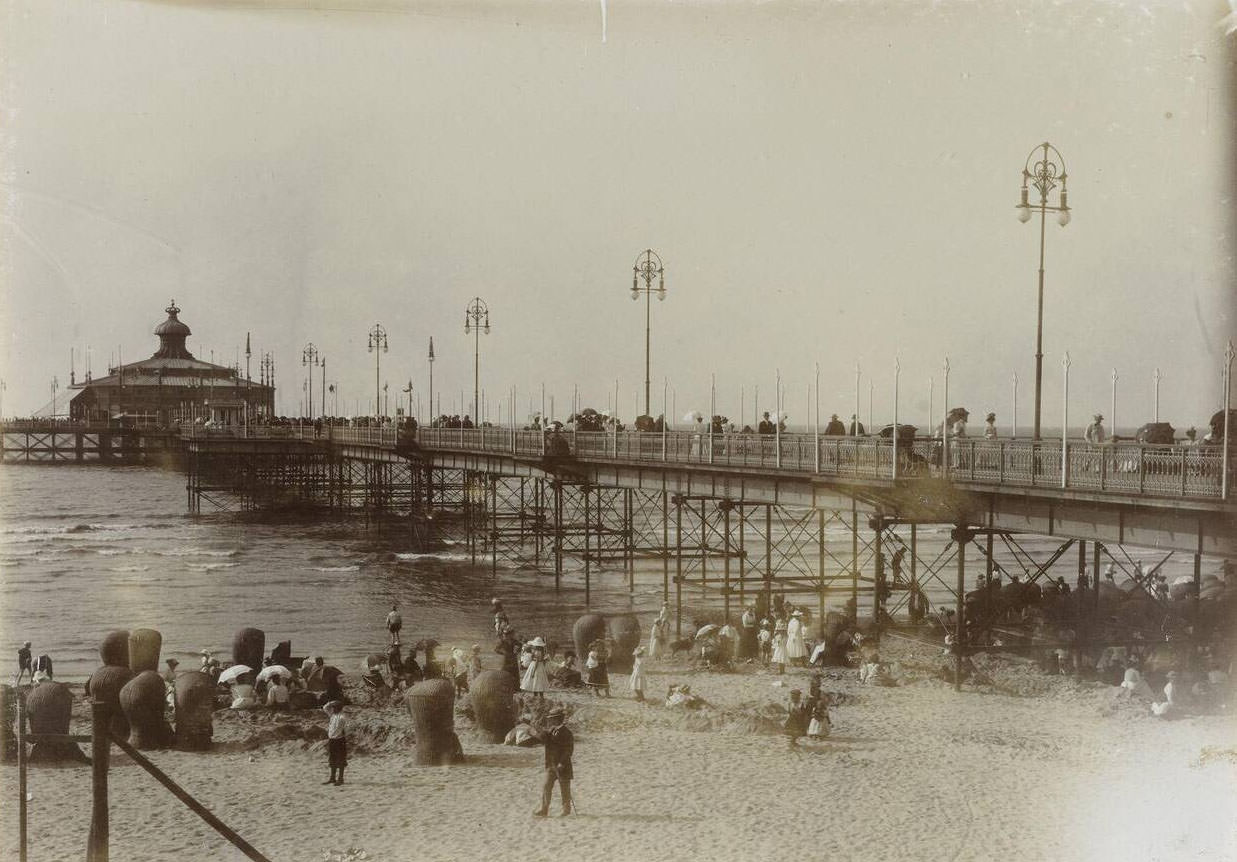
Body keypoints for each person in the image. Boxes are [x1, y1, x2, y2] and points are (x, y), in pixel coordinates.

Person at [533, 706, 574, 817]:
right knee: (546, 786)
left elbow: (568, 750)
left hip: (563, 766)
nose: (550, 720)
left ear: (558, 719)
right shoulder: (551, 730)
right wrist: (537, 728)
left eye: (552, 719)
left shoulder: (567, 733)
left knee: (564, 789)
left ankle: (566, 810)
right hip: (551, 764)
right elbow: (542, 739)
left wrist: (562, 762)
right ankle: (544, 809)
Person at [323, 701, 348, 785]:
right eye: (332, 707)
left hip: (339, 740)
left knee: (341, 759)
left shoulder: (342, 716)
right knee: (332, 759)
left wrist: (343, 734)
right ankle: (332, 778)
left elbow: (347, 727)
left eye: (334, 707)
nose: (332, 709)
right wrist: (331, 702)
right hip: (332, 740)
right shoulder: (333, 715)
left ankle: (340, 779)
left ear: (338, 708)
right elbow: (325, 708)